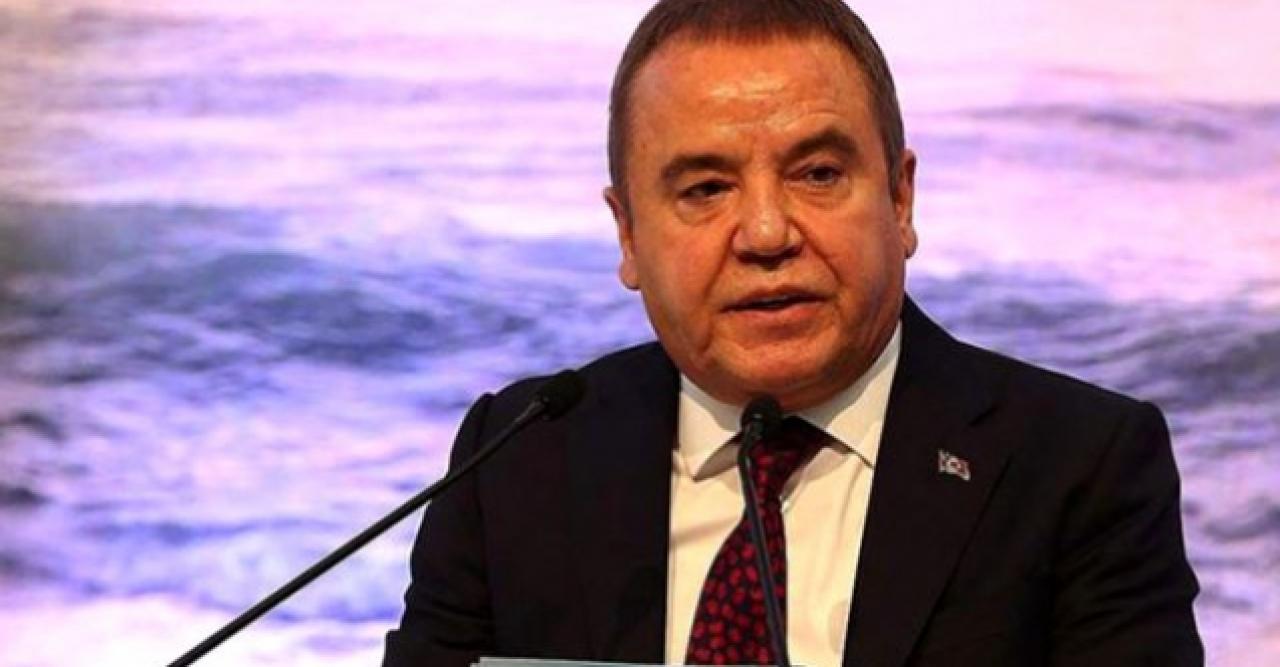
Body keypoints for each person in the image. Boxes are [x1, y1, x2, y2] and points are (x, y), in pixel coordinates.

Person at [384, 1, 1203, 665]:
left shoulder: (1078, 466)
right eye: (706, 188)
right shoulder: (518, 456)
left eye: (817, 174)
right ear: (628, 234)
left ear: (901, 199)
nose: (767, 233)